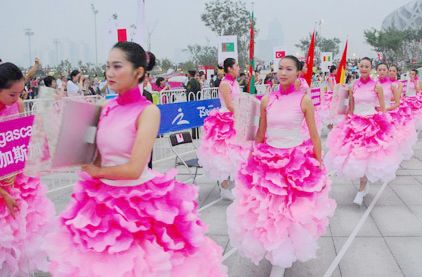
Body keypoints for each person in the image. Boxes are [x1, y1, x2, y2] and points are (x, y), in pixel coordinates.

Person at [45, 42, 227, 276]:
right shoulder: (104, 108)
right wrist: (66, 134)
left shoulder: (148, 111)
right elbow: (93, 157)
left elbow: (134, 168)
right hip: (101, 202)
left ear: (138, 72)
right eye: (108, 66)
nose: (109, 72)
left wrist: (96, 171)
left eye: (117, 66)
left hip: (138, 202)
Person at [227, 55, 336, 277]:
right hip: (268, 161)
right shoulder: (268, 100)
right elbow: (261, 132)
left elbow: (314, 134)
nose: (283, 73)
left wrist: (319, 160)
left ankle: (282, 260)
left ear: (298, 73)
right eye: (280, 68)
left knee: (290, 213)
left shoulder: (303, 100)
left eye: (289, 69)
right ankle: (276, 250)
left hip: (296, 163)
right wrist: (252, 155)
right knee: (268, 212)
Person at [0, 62, 55, 276]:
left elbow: (22, 143)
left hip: (18, 183)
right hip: (3, 189)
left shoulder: (19, 106)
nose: (17, 99)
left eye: (19, 93)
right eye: (12, 94)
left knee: (19, 243)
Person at [325, 57, 401, 205]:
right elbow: (351, 108)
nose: (364, 68)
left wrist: (385, 127)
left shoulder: (377, 86)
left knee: (368, 157)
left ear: (371, 68)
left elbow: (383, 109)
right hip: (355, 123)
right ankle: (363, 184)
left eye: (367, 66)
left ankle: (361, 189)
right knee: (356, 157)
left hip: (372, 124)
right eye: (362, 66)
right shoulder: (354, 85)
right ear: (359, 68)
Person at [197, 58, 249, 201]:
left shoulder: (235, 82)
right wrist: (242, 114)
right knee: (224, 153)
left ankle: (232, 184)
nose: (239, 68)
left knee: (237, 152)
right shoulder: (225, 84)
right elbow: (229, 104)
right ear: (230, 68)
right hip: (226, 120)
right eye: (237, 66)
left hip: (236, 118)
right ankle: (225, 187)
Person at [378, 63, 417, 161]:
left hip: (392, 109)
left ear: (396, 73)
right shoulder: (378, 83)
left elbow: (397, 97)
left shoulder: (398, 84)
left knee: (394, 132)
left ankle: (393, 152)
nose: (391, 72)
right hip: (381, 109)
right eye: (390, 70)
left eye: (393, 71)